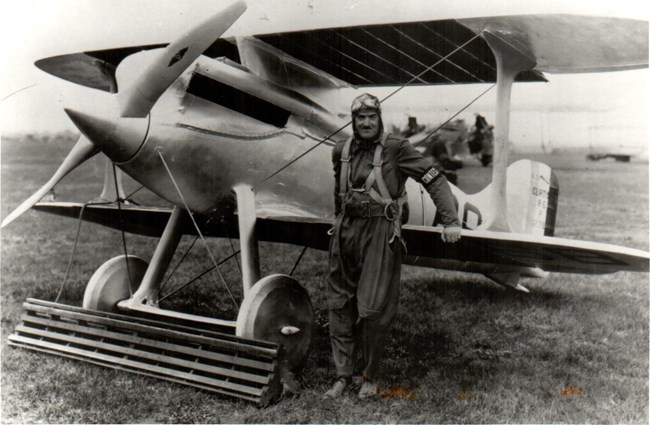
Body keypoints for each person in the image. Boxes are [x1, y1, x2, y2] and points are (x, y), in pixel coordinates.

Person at [324, 93, 462, 400]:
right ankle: (342, 376)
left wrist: (450, 220)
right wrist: (339, 221)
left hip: (380, 230)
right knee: (339, 304)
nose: (367, 123)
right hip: (345, 230)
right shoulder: (340, 150)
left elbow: (434, 178)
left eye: (372, 117)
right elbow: (339, 190)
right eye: (360, 118)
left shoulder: (397, 148)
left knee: (372, 308)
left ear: (380, 118)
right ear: (353, 121)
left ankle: (370, 376)